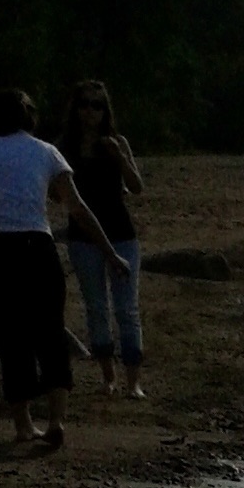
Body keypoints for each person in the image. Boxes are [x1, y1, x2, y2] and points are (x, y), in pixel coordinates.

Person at [0, 89, 126, 448]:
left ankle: (23, 425)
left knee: (11, 337)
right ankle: (56, 420)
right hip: (37, 245)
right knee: (50, 331)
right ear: (29, 116)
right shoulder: (46, 151)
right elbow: (77, 208)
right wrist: (110, 252)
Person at [58, 79, 146, 397]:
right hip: (82, 238)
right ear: (75, 108)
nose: (90, 112)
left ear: (105, 110)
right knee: (96, 307)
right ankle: (109, 376)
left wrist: (120, 156)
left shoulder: (117, 143)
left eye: (97, 105)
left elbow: (136, 186)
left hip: (121, 234)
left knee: (127, 309)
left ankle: (134, 382)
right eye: (84, 104)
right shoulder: (65, 148)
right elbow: (56, 193)